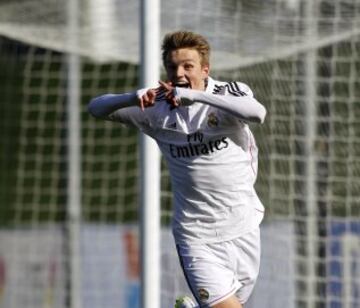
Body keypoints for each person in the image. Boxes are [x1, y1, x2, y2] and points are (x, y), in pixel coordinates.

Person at [88, 30, 266, 308]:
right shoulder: (154, 108)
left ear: (205, 70)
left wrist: (198, 98)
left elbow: (257, 114)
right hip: (196, 235)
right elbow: (96, 108)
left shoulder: (228, 93)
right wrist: (131, 98)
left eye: (188, 66)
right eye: (172, 66)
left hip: (243, 224)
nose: (179, 73)